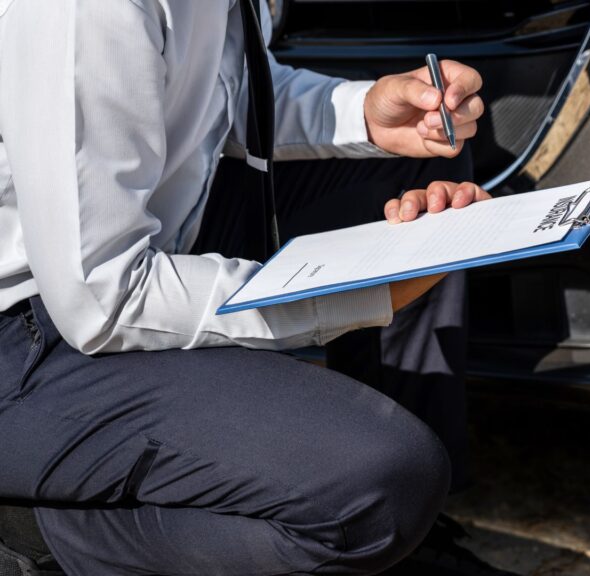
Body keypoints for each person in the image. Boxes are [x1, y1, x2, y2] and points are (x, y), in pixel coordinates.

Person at [0, 1, 510, 574]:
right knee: (381, 483)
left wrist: (364, 114)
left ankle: (413, 546)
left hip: (150, 240)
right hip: (28, 339)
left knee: (421, 186)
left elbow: (212, 93)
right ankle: (44, 531)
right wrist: (354, 294)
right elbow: (102, 297)